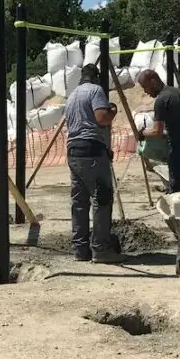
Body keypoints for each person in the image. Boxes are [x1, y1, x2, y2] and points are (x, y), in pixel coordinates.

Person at [64, 63, 120, 263]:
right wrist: (112, 109)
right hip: (92, 152)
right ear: (95, 78)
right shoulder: (96, 90)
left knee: (79, 202)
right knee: (101, 199)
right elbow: (102, 118)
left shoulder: (71, 96)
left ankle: (80, 249)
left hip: (74, 152)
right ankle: (101, 249)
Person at [135, 69, 180, 194]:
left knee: (178, 191)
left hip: (179, 150)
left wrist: (142, 133)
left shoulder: (162, 100)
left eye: (145, 87)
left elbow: (157, 131)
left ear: (153, 81)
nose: (145, 91)